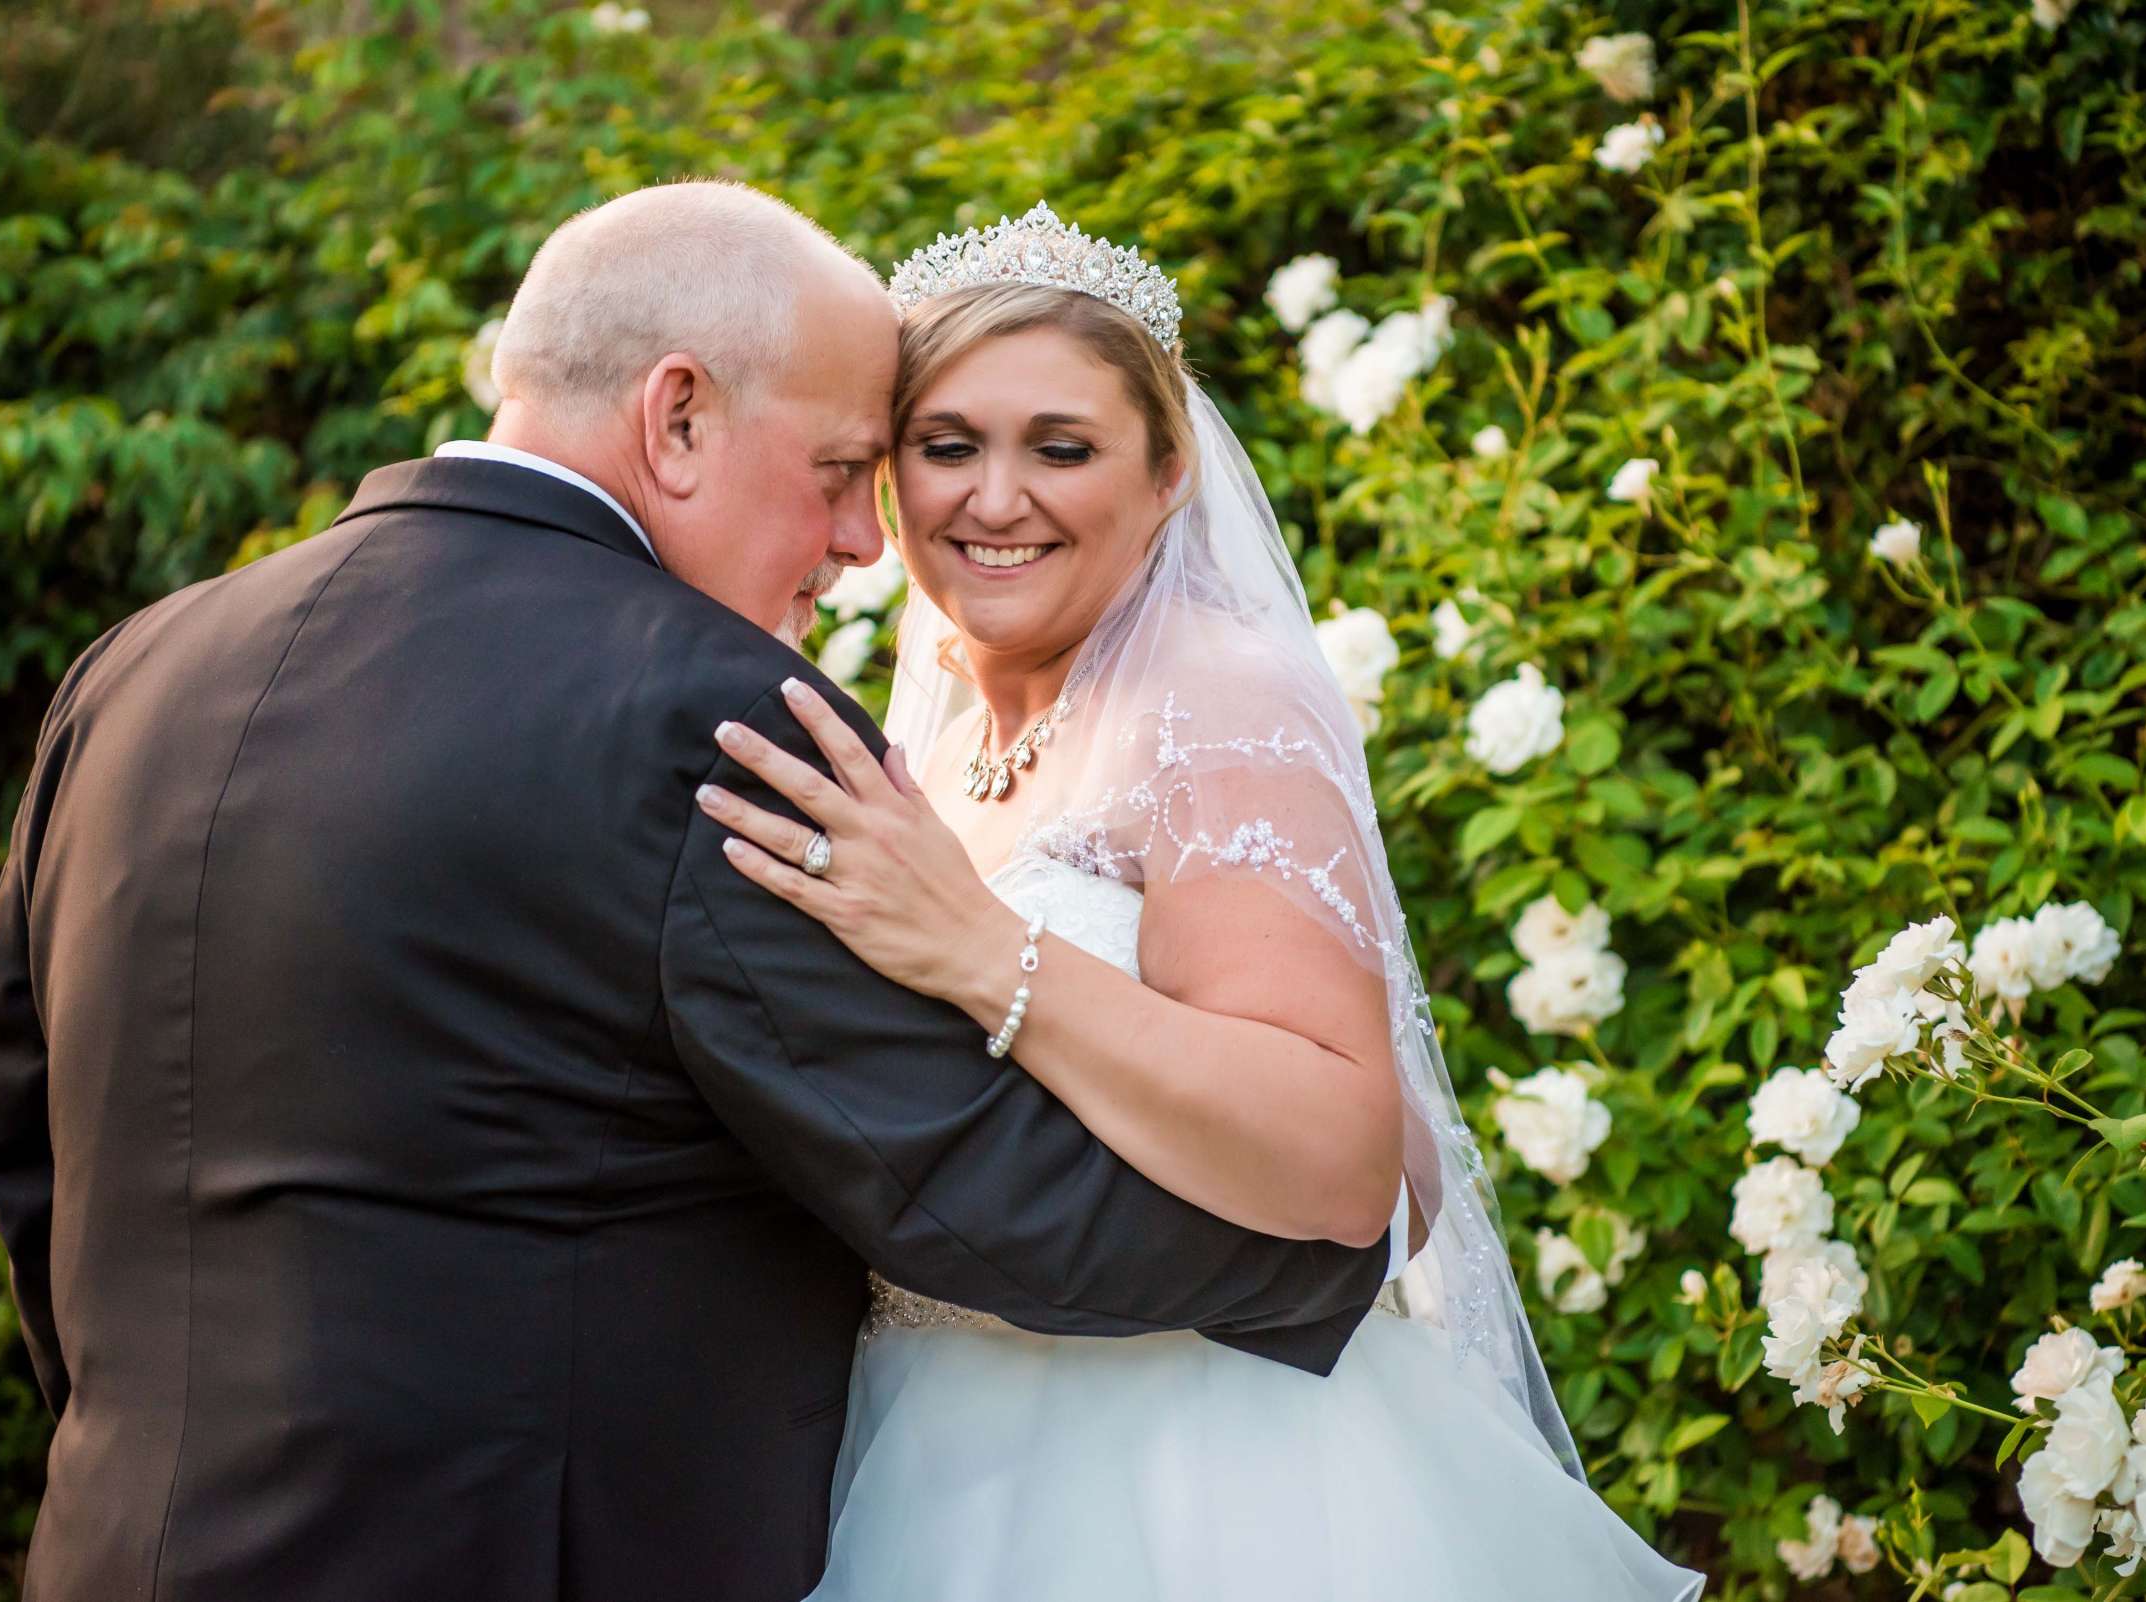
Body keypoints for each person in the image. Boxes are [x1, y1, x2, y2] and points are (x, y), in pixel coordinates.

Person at [0, 181, 1394, 1602]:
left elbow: (26, 1139)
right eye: (849, 469)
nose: (860, 539)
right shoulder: (703, 717)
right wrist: (1337, 1248)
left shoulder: (136, 672)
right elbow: (948, 1176)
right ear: (680, 417)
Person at [702, 202, 1708, 1601]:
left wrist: (989, 951)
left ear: (1170, 470)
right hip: (936, 1441)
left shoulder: (1212, 703)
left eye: (1063, 447)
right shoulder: (923, 737)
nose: (996, 498)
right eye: (948, 445)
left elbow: (1353, 1162)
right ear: (888, 477)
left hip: (1197, 1472)